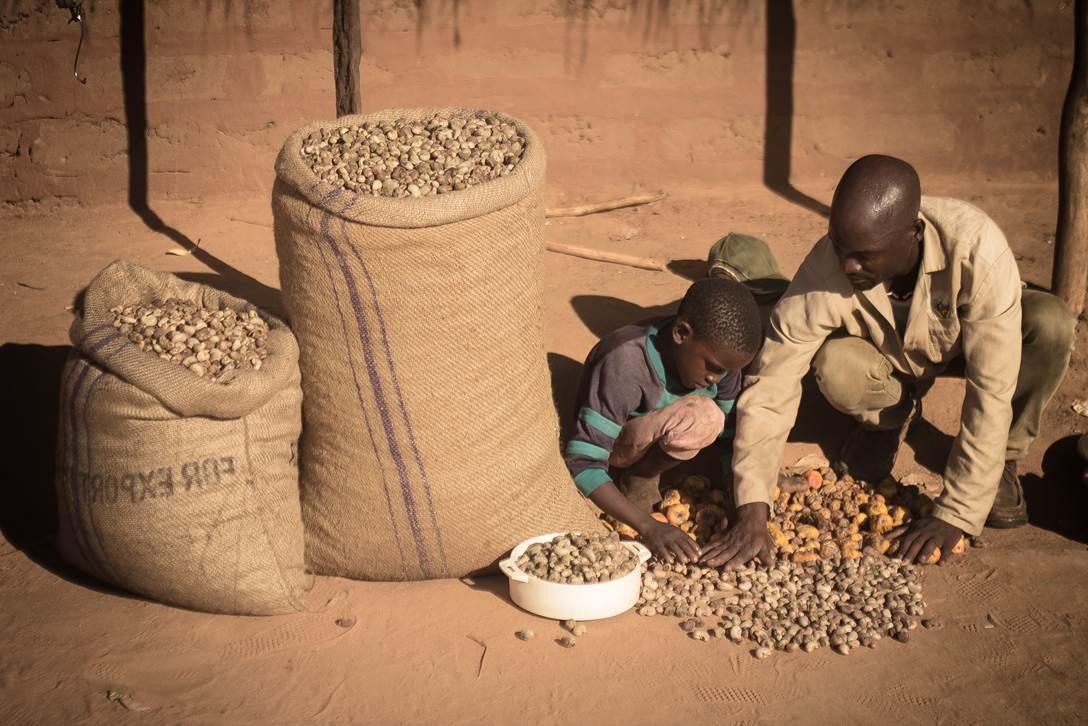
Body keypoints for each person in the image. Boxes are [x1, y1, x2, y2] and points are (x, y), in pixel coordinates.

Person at [702, 154, 1076, 569]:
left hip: (962, 346)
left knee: (1051, 323)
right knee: (835, 362)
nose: (848, 265)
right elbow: (772, 384)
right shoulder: (830, 264)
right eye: (841, 248)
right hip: (886, 354)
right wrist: (753, 504)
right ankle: (887, 419)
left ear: (912, 234)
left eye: (864, 255)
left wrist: (956, 512)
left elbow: (991, 392)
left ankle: (1001, 459)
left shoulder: (977, 250)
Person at [564, 278, 763, 563]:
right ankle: (638, 477)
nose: (715, 379)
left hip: (666, 429)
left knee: (713, 416)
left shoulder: (721, 360)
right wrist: (649, 527)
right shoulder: (625, 363)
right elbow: (581, 462)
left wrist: (744, 506)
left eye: (727, 371)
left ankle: (652, 470)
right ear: (681, 333)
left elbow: (731, 436)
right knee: (703, 415)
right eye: (714, 369)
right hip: (617, 446)